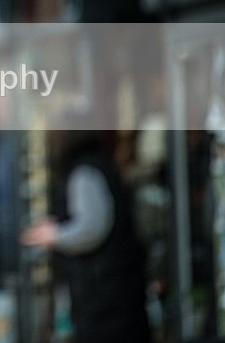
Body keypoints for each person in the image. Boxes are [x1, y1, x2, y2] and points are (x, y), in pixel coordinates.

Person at [20, 129, 151, 343]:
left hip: (106, 302)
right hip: (112, 300)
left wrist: (55, 235)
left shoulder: (84, 172)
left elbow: (91, 229)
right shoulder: (96, 165)